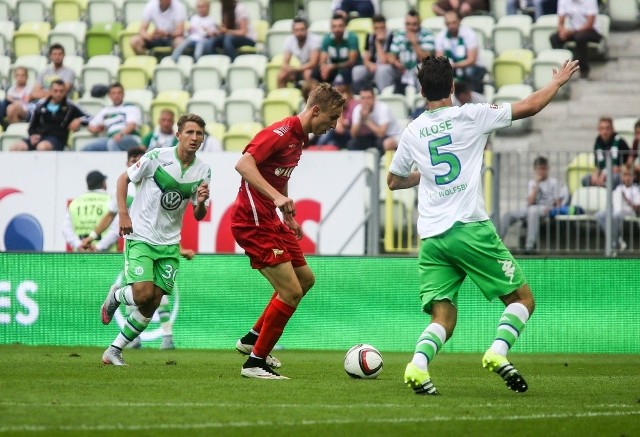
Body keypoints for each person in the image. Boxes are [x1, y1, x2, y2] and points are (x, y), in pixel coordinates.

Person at [387, 55, 579, 395]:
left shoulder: (413, 131)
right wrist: (557, 82)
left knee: (443, 318)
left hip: (432, 237)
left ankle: (417, 366)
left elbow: (394, 181)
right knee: (522, 299)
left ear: (420, 91)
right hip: (468, 228)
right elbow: (530, 106)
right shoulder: (471, 115)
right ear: (451, 86)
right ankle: (498, 351)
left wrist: (427, 175)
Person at [232, 82, 345, 379]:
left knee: (306, 280)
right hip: (253, 220)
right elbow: (244, 164)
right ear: (316, 110)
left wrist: (286, 212)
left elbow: (279, 175)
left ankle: (252, 340)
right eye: (332, 118)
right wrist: (278, 198)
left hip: (272, 218)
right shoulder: (280, 133)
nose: (333, 125)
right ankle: (255, 364)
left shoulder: (300, 139)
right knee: (290, 291)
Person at [100, 113, 211, 365]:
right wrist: (123, 214)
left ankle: (114, 350)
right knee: (141, 295)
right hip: (141, 236)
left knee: (154, 301)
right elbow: (123, 178)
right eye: (190, 132)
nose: (194, 138)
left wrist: (201, 202)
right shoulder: (156, 157)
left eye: (199, 134)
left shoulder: (203, 170)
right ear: (178, 135)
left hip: (170, 243)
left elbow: (198, 214)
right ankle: (117, 296)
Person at [84, 146, 192, 350]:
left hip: (160, 244)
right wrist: (92, 237)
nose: (137, 161)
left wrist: (181, 248)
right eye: (133, 158)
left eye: (139, 158)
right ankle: (133, 338)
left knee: (156, 293)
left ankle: (166, 334)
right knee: (141, 292)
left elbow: (167, 223)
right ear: (128, 163)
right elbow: (110, 216)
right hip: (137, 242)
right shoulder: (128, 189)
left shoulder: (158, 185)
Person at [499, 156, 568, 253]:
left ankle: (529, 246)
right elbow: (530, 202)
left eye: (544, 169)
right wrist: (536, 185)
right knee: (508, 215)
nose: (542, 171)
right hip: (531, 207)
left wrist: (551, 208)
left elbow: (558, 203)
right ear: (535, 170)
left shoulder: (554, 182)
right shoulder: (532, 183)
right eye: (539, 169)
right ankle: (496, 244)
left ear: (548, 169)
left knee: (532, 211)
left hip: (546, 208)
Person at [10, 79, 88, 151]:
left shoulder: (71, 106)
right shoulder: (40, 105)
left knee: (42, 147)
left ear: (65, 92)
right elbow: (32, 125)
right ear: (50, 91)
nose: (58, 94)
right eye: (55, 91)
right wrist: (32, 135)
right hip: (38, 137)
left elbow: (90, 117)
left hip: (56, 139)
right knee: (15, 147)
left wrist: (80, 120)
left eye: (61, 91)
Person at [62, 170, 115, 252]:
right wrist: (98, 247)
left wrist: (79, 244)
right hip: (106, 257)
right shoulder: (111, 201)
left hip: (81, 256)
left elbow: (66, 230)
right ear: (103, 183)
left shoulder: (75, 202)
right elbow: (115, 230)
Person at [549, 0, 602, 80]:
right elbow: (560, 23)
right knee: (554, 38)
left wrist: (571, 32)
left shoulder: (590, 1)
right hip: (573, 31)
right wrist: (562, 31)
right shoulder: (563, 1)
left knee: (580, 38)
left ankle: (584, 71)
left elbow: (590, 24)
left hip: (592, 31)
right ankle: (562, 69)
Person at [435, 10, 485, 93]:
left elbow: (471, 60)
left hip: (473, 66)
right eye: (448, 23)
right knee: (438, 73)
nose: (451, 26)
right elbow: (439, 58)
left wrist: (453, 65)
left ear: (459, 21)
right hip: (452, 67)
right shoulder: (440, 36)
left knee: (469, 71)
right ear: (445, 24)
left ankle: (473, 97)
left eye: (453, 22)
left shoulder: (469, 34)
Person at [83, 83, 143, 152]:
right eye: (113, 93)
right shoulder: (105, 110)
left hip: (129, 137)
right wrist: (96, 129)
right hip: (110, 139)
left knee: (112, 143)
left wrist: (121, 133)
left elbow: (132, 125)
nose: (116, 95)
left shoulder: (131, 107)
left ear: (123, 94)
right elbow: (90, 126)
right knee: (87, 148)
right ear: (109, 95)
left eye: (119, 93)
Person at [387, 9, 434, 93]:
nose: (410, 27)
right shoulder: (399, 34)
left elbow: (427, 58)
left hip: (418, 69)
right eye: (408, 24)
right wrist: (396, 63)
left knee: (421, 68)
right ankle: (388, 97)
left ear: (420, 23)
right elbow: (391, 56)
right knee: (384, 70)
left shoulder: (427, 34)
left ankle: (421, 96)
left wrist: (415, 43)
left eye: (414, 24)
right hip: (402, 70)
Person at [595, 165, 640, 253]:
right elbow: (611, 204)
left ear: (633, 177)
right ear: (622, 177)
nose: (627, 178)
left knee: (615, 216)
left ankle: (613, 244)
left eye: (629, 175)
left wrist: (627, 199)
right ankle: (616, 239)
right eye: (625, 175)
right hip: (615, 210)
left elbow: (638, 208)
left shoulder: (636, 190)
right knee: (599, 215)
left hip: (629, 212)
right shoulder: (618, 189)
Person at [349, 84, 403, 152]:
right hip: (373, 136)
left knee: (385, 143)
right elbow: (353, 135)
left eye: (368, 98)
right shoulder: (358, 109)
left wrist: (366, 120)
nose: (366, 101)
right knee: (352, 144)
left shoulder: (382, 108)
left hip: (391, 135)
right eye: (363, 98)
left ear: (374, 98)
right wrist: (360, 120)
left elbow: (381, 133)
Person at [312, 13, 361, 86]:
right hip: (334, 68)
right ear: (331, 28)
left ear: (345, 26)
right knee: (316, 73)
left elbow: (352, 62)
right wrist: (324, 68)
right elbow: (322, 60)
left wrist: (332, 66)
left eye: (340, 26)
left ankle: (349, 94)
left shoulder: (352, 38)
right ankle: (319, 95)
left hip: (350, 68)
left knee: (346, 72)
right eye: (334, 26)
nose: (337, 29)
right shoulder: (327, 38)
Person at [351, 14, 394, 94]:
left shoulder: (391, 37)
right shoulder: (370, 36)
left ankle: (383, 95)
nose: (379, 30)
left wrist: (378, 43)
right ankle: (360, 96)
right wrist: (369, 64)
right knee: (357, 70)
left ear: (386, 27)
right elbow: (365, 58)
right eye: (376, 28)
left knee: (382, 70)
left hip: (388, 68)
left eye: (382, 28)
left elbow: (384, 61)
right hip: (373, 67)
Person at [582, 117, 630, 188]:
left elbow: (628, 164)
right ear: (598, 129)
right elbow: (598, 166)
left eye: (607, 128)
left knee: (614, 178)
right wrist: (595, 174)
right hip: (602, 174)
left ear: (612, 129)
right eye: (602, 128)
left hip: (617, 173)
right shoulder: (597, 143)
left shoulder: (620, 142)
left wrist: (607, 172)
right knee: (586, 179)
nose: (605, 131)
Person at [313, 77, 358, 150]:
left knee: (331, 129)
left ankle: (317, 148)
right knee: (332, 143)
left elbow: (345, 125)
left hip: (350, 134)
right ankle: (319, 149)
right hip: (338, 135)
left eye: (342, 92)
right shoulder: (336, 105)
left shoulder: (354, 105)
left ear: (348, 92)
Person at [277, 17, 322, 89]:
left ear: (307, 29)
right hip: (301, 68)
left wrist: (295, 69)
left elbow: (313, 63)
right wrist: (287, 68)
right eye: (296, 30)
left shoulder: (315, 39)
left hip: (316, 69)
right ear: (293, 31)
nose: (299, 33)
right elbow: (285, 63)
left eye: (302, 29)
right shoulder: (289, 40)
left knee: (307, 74)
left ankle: (309, 98)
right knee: (281, 75)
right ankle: (282, 97)